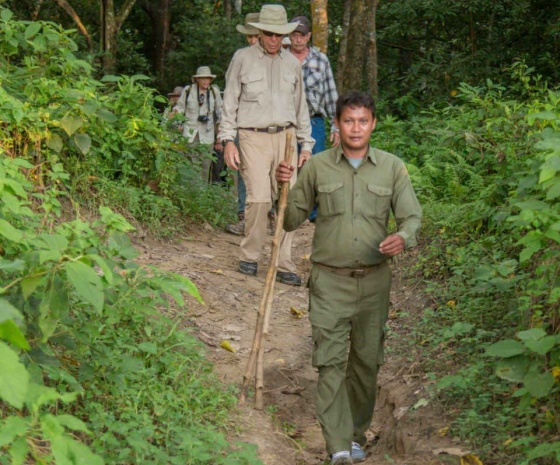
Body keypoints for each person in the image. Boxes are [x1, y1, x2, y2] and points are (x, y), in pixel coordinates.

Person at [275, 91, 422, 465]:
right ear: (337, 126)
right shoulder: (318, 167)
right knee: (329, 360)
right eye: (348, 121)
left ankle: (356, 434)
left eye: (362, 121)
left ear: (373, 124)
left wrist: (401, 238)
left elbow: (412, 218)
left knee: (366, 362)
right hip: (329, 281)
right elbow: (291, 220)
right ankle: (338, 444)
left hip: (374, 283)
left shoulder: (392, 167)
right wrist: (285, 186)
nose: (355, 128)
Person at [219, 4, 314, 286]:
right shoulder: (242, 59)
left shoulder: (292, 64)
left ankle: (283, 261)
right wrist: (227, 141)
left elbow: (301, 108)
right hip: (252, 136)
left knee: (289, 199)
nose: (273, 40)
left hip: (286, 138)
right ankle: (250, 255)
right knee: (259, 198)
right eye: (268, 34)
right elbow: (230, 102)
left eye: (278, 35)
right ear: (260, 33)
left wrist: (306, 145)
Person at [288, 15, 339, 222]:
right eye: (294, 35)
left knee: (316, 166)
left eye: (302, 35)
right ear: (289, 36)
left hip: (313, 120)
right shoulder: (281, 58)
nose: (298, 39)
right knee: (287, 166)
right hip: (286, 122)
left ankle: (316, 213)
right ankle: (288, 210)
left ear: (308, 36)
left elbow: (330, 93)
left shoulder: (320, 60)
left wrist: (336, 125)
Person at [224, 12, 260, 236]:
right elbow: (231, 94)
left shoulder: (279, 59)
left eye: (256, 36)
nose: (252, 40)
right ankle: (243, 217)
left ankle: (267, 217)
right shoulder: (240, 57)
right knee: (243, 174)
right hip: (243, 125)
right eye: (249, 37)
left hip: (269, 129)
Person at [172, 66, 223, 182]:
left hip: (207, 135)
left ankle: (202, 194)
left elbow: (221, 113)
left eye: (208, 79)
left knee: (205, 168)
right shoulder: (188, 90)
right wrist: (176, 120)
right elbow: (180, 107)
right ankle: (190, 194)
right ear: (197, 79)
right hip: (190, 134)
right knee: (189, 167)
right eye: (203, 79)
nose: (206, 81)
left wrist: (219, 137)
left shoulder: (214, 92)